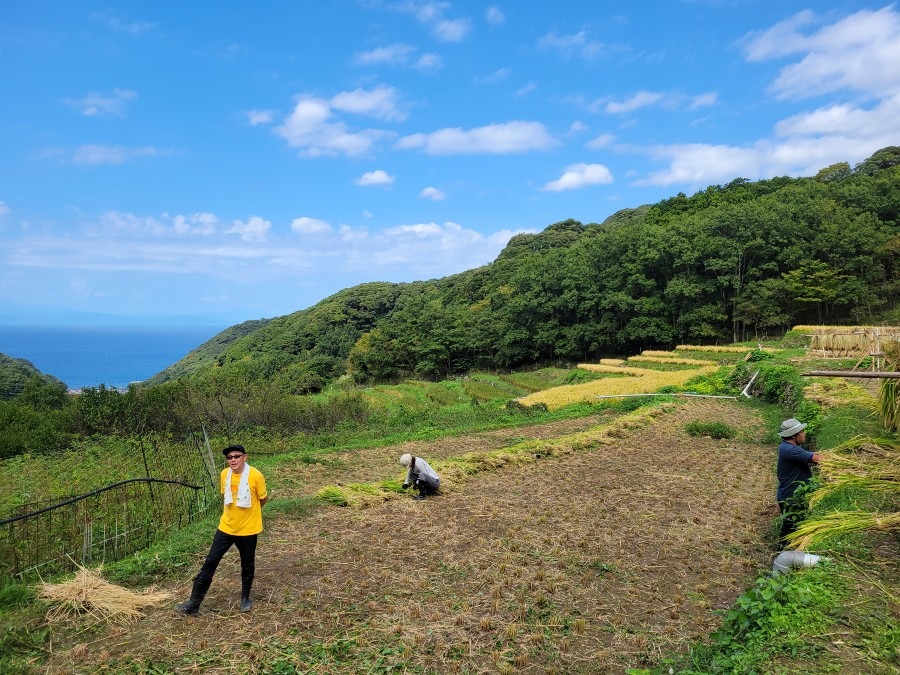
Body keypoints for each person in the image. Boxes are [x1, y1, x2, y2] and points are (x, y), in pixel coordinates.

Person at [175, 444, 268, 615]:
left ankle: (245, 598)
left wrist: (251, 513)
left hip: (248, 529)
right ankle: (193, 604)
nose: (233, 460)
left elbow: (262, 499)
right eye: (229, 457)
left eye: (236, 456)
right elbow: (225, 495)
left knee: (247, 565)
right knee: (210, 562)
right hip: (226, 527)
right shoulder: (224, 474)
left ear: (245, 457)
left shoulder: (256, 475)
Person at [776, 418, 821, 543]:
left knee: (792, 528)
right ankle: (781, 556)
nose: (804, 434)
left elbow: (809, 455)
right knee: (790, 530)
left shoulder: (786, 447)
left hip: (789, 495)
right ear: (794, 435)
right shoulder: (791, 450)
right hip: (791, 498)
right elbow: (818, 459)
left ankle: (787, 555)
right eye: (802, 431)